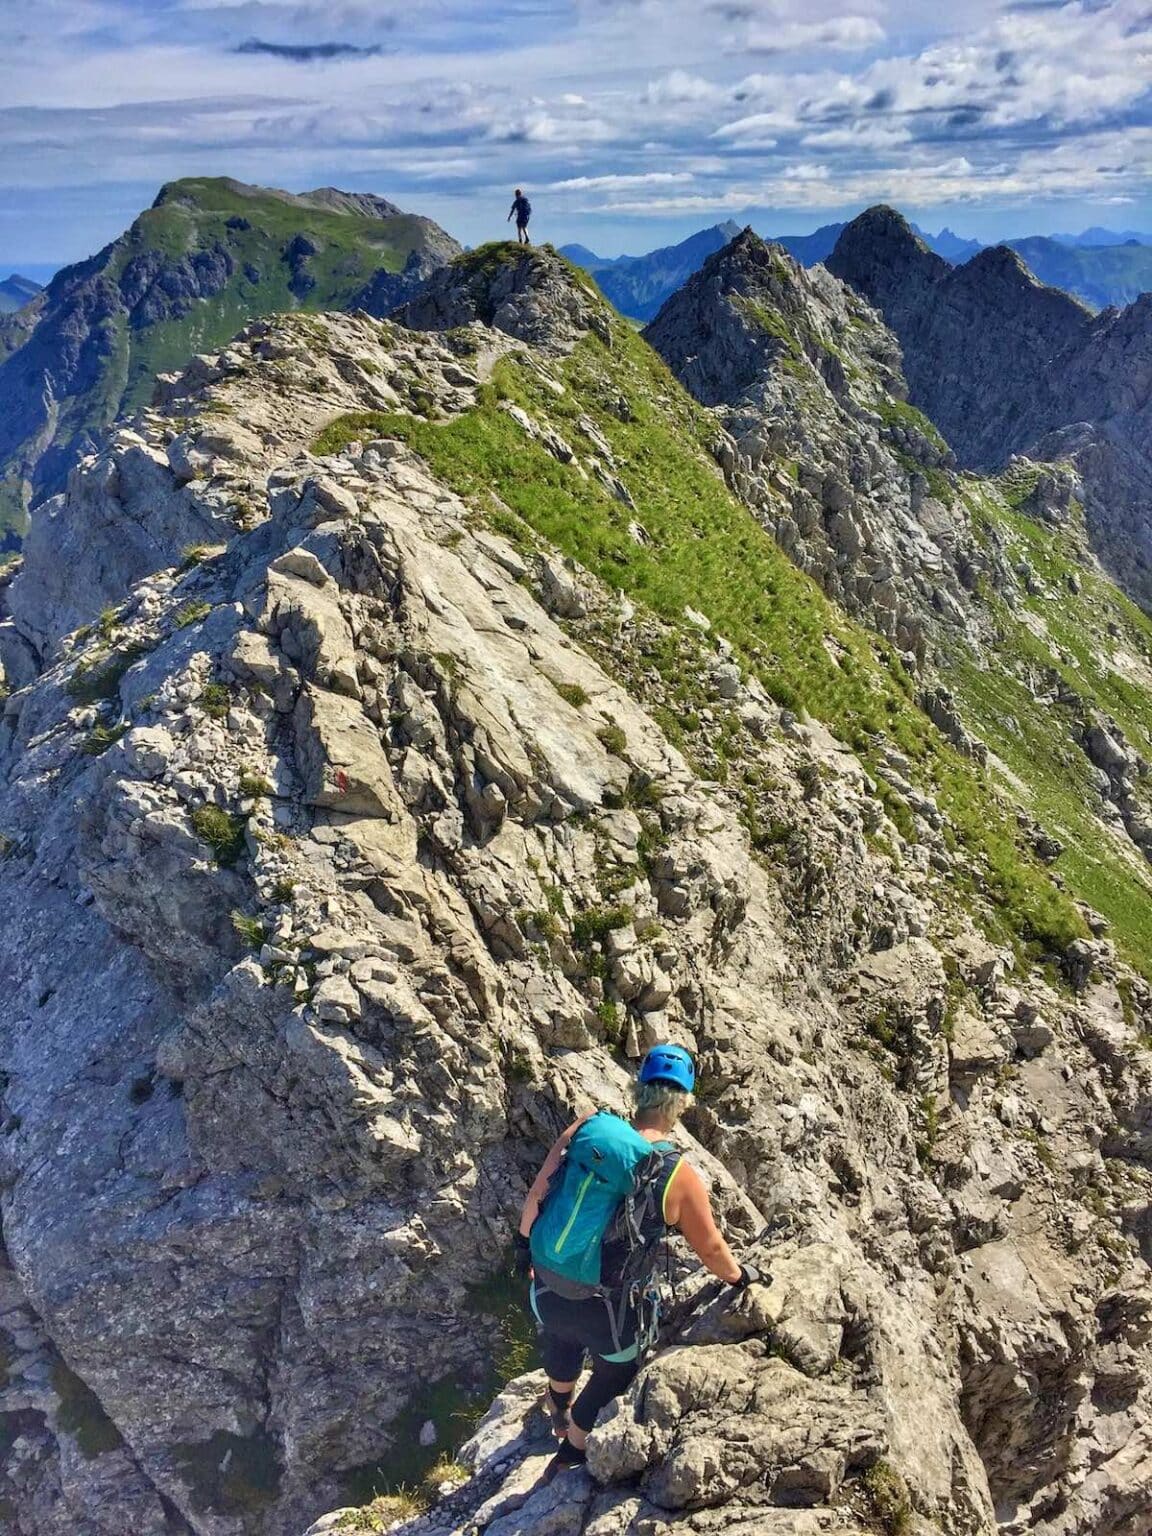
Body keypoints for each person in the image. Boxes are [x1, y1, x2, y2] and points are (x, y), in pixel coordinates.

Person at [515, 1044, 759, 1478]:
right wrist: (741, 1277)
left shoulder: (588, 1128)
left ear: (638, 1089)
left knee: (562, 1332)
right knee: (617, 1367)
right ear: (682, 1104)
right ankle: (571, 1451)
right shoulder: (675, 1174)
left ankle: (558, 1403)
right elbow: (712, 1251)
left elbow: (538, 1194)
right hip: (607, 1311)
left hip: (547, 1286)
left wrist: (524, 1252)